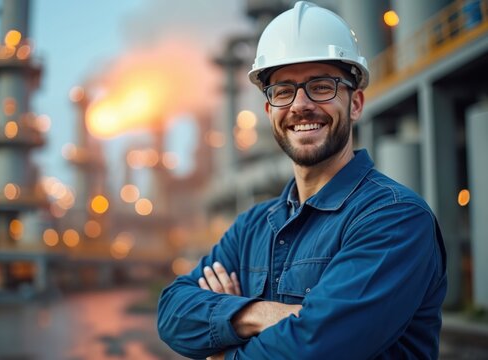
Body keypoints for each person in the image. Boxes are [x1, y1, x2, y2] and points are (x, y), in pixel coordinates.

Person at [157, 1, 447, 359]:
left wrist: (222, 349)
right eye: (283, 91)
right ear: (269, 111)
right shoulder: (253, 226)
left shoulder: (394, 218)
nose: (300, 105)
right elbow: (171, 313)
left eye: (321, 86)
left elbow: (320, 347)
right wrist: (257, 314)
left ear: (355, 103)